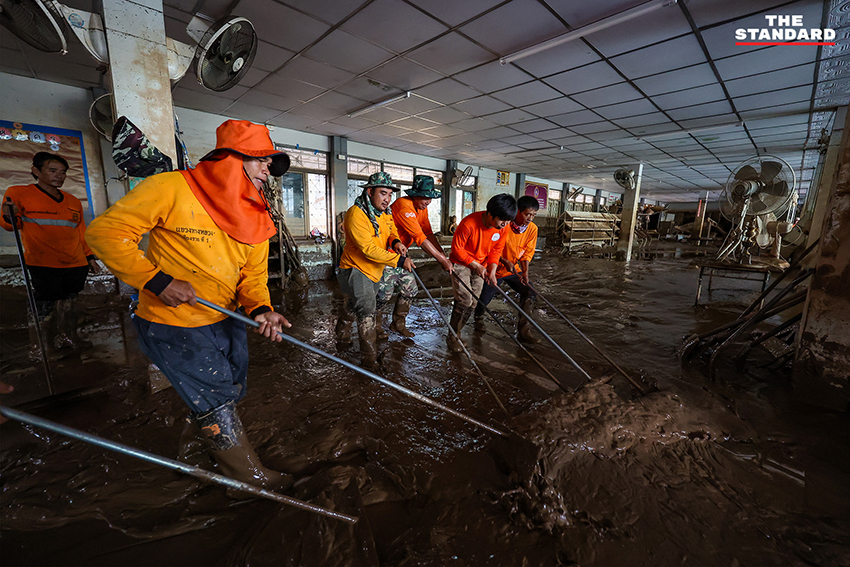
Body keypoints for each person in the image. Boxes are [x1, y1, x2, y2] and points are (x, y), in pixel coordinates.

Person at [86, 120, 292, 491]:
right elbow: (104, 233)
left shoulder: (257, 215)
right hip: (173, 321)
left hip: (224, 319)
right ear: (230, 158)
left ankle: (198, 456)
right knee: (215, 395)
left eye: (269, 163)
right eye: (260, 160)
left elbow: (253, 278)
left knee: (230, 388)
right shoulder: (172, 188)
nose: (267, 170)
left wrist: (261, 309)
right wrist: (157, 281)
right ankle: (250, 481)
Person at [1, 152, 101, 357]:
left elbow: (81, 232)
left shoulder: (73, 201)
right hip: (43, 262)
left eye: (63, 172)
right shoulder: (19, 193)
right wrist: (6, 214)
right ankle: (40, 347)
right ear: (36, 171)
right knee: (43, 303)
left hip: (75, 262)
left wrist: (89, 256)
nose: (59, 176)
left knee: (70, 300)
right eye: (53, 170)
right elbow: (12, 225)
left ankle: (67, 337)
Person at [336, 172, 415, 367]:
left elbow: (391, 230)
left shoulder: (384, 212)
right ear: (370, 191)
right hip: (356, 269)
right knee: (367, 312)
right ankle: (369, 360)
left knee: (355, 306)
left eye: (389, 194)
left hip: (375, 269)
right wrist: (398, 261)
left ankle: (342, 330)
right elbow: (368, 250)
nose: (387, 199)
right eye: (383, 193)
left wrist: (395, 241)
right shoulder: (356, 214)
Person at [376, 174, 452, 338]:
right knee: (384, 294)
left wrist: (442, 254)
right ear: (414, 194)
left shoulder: (421, 209)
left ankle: (398, 324)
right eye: (425, 197)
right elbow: (419, 238)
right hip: (387, 255)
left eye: (430, 198)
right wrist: (441, 260)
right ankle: (375, 326)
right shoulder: (404, 205)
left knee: (410, 289)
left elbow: (428, 233)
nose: (428, 201)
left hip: (401, 255)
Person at [446, 194, 517, 352]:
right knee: (464, 299)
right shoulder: (469, 223)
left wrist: (492, 269)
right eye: (502, 220)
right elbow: (457, 249)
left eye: (508, 221)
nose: (504, 224)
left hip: (482, 264)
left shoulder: (503, 228)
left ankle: (456, 332)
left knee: (474, 301)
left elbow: (496, 250)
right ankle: (453, 337)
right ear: (490, 214)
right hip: (461, 262)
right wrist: (476, 266)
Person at [474, 195, 540, 343]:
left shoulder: (532, 230)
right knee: (483, 299)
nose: (530, 218)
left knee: (530, 292)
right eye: (527, 214)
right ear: (517, 211)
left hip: (513, 271)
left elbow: (527, 253)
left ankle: (524, 331)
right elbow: (491, 249)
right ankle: (478, 317)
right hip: (494, 270)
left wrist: (525, 272)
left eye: (533, 215)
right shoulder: (503, 225)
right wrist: (504, 261)